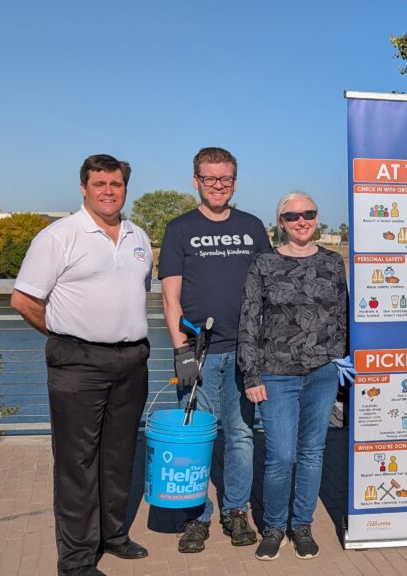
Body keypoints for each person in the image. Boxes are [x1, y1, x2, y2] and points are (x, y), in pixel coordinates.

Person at [11, 155, 152, 576]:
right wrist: (63, 335)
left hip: (132, 359)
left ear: (125, 188)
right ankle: (75, 560)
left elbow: (135, 291)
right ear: (83, 188)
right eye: (100, 183)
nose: (109, 190)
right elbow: (23, 300)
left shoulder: (137, 236)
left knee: (119, 455)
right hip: (77, 361)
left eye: (116, 184)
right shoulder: (59, 236)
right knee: (76, 463)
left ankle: (113, 536)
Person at [158, 147, 270, 552]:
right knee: (196, 437)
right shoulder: (179, 229)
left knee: (240, 435)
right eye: (210, 178)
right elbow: (169, 299)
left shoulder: (253, 227)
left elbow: (267, 291)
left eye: (225, 178)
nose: (218, 185)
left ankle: (236, 512)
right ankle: (196, 515)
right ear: (196, 181)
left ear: (234, 182)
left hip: (243, 352)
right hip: (197, 353)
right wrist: (180, 351)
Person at [238, 192, 348, 561]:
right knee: (281, 456)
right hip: (276, 373)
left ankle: (301, 525)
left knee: (312, 453)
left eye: (309, 214)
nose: (302, 221)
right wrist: (250, 374)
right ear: (280, 222)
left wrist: (342, 362)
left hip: (323, 372)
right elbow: (250, 319)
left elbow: (343, 316)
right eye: (292, 216)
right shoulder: (264, 263)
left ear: (317, 217)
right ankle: (273, 527)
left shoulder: (333, 263)